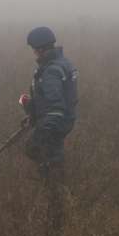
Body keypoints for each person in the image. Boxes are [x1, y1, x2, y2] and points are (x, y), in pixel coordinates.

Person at [19, 26, 78, 176]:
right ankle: (54, 183)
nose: (33, 52)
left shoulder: (51, 71)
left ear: (39, 48)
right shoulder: (63, 63)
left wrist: (41, 131)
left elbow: (55, 107)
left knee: (37, 151)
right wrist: (33, 115)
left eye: (33, 48)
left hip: (53, 124)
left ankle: (55, 189)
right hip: (61, 121)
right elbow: (50, 99)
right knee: (50, 156)